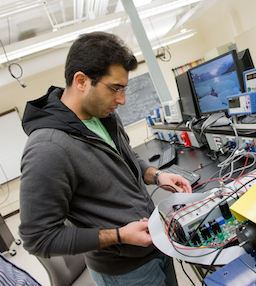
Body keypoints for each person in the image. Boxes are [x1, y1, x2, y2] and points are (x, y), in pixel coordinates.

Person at [18, 31, 192, 286]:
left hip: (156, 243)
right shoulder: (47, 149)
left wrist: (156, 175)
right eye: (115, 88)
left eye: (124, 89)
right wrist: (119, 235)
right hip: (124, 271)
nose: (121, 100)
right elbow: (38, 238)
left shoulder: (104, 116)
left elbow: (125, 158)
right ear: (81, 81)